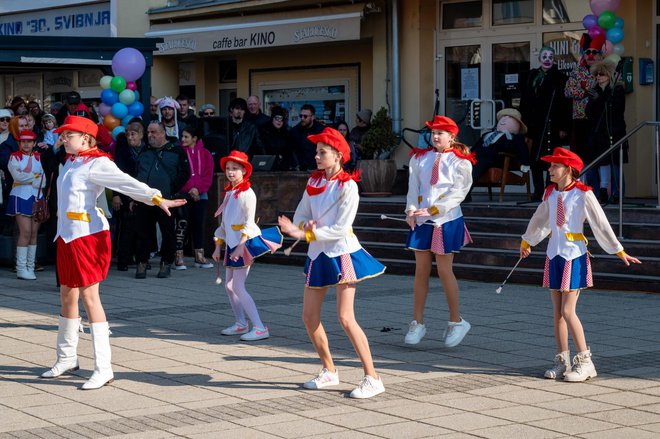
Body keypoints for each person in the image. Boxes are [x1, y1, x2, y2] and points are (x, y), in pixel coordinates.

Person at [39, 116, 185, 389]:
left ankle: (103, 367)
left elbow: (126, 182)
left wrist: (156, 197)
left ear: (85, 138)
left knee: (89, 297)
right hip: (67, 235)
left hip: (88, 236)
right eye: (62, 134)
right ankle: (66, 357)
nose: (62, 138)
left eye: (67, 134)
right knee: (67, 293)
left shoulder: (98, 162)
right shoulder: (70, 161)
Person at [278, 127, 386, 399]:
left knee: (345, 317)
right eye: (316, 152)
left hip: (342, 254)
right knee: (309, 317)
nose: (316, 156)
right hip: (318, 255)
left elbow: (341, 228)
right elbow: (301, 214)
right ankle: (329, 371)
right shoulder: (314, 182)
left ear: (338, 155)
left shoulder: (348, 186)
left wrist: (305, 233)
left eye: (322, 152)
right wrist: (301, 225)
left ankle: (372, 377)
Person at [520, 147, 640, 382]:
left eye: (555, 166)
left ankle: (586, 361)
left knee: (568, 310)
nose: (550, 169)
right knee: (557, 313)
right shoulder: (550, 194)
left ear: (569, 169)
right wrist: (528, 240)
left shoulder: (583, 194)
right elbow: (540, 219)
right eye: (550, 165)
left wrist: (618, 250)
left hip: (573, 256)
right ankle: (562, 360)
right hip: (554, 254)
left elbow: (600, 223)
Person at [403, 116, 474, 347]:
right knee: (420, 270)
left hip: (446, 220)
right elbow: (414, 188)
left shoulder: (461, 161)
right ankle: (417, 322)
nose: (434, 136)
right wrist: (411, 210)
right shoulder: (419, 158)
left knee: (445, 271)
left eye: (440, 133)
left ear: (452, 136)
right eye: (433, 132)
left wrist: (434, 209)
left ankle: (456, 321)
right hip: (423, 221)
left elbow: (459, 192)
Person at [213, 151, 283, 341]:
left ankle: (260, 327)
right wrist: (218, 246)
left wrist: (240, 246)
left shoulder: (246, 193)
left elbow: (249, 223)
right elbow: (224, 224)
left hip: (243, 243)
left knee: (237, 286)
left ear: (244, 170)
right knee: (229, 286)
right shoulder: (230, 192)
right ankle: (241, 323)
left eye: (235, 169)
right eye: (228, 168)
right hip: (233, 243)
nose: (230, 172)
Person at [134, 121, 190, 279]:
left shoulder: (176, 150)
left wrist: (170, 189)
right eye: (148, 132)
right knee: (142, 232)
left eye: (154, 132)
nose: (150, 135)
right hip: (145, 198)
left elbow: (185, 173)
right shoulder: (144, 150)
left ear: (163, 133)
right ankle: (142, 262)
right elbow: (136, 172)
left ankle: (166, 263)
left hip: (166, 199)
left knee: (167, 232)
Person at [519, 46, 571, 200]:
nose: (547, 60)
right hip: (534, 124)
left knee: (552, 159)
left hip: (552, 123)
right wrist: (524, 126)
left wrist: (563, 126)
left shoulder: (560, 77)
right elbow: (525, 101)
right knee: (535, 158)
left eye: (550, 57)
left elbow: (565, 103)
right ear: (539, 59)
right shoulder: (532, 76)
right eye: (545, 56)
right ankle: (538, 190)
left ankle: (551, 189)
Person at [585, 60, 627, 204]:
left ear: (609, 75)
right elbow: (588, 112)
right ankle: (598, 193)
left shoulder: (617, 89)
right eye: (596, 74)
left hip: (614, 132)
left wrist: (600, 99)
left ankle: (617, 195)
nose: (598, 77)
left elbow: (616, 108)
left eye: (602, 74)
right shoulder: (594, 90)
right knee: (593, 165)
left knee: (615, 164)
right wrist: (594, 99)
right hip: (597, 133)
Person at [174, 126, 214, 270]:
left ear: (195, 138)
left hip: (201, 194)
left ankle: (199, 256)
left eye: (186, 137)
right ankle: (178, 257)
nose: (183, 140)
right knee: (182, 224)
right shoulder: (178, 153)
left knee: (198, 224)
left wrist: (199, 189)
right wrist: (191, 188)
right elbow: (179, 174)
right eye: (182, 137)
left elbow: (208, 176)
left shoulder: (205, 154)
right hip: (183, 193)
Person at [6, 130, 45, 280]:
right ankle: (21, 268)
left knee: (34, 233)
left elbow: (45, 179)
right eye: (23, 141)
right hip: (20, 196)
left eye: (29, 141)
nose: (26, 144)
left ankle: (30, 266)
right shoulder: (14, 156)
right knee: (25, 232)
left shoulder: (38, 157)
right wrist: (35, 177)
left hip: (37, 197)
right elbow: (18, 176)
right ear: (19, 143)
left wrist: (32, 178)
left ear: (34, 143)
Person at [564, 33, 605, 162]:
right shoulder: (577, 72)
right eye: (587, 52)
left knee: (598, 155)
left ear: (599, 54)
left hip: (598, 119)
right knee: (581, 155)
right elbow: (567, 91)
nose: (590, 55)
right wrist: (584, 92)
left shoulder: (604, 72)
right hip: (580, 119)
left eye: (594, 52)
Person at [112, 122, 145, 271]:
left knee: (142, 228)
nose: (130, 137)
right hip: (125, 191)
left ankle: (140, 259)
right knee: (126, 228)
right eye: (128, 134)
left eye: (134, 134)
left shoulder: (146, 149)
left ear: (141, 135)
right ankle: (123, 260)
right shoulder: (123, 150)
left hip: (142, 191)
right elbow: (116, 174)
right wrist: (116, 195)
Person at [470, 108, 531, 184]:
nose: (504, 119)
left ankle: (465, 191)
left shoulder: (516, 138)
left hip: (498, 158)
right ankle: (462, 191)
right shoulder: (487, 134)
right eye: (503, 117)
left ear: (518, 125)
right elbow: (476, 146)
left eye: (510, 118)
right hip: (479, 157)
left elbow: (522, 148)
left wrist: (525, 162)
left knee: (479, 161)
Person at [260, 106, 296, 171]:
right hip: (269, 167)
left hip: (284, 168)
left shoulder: (287, 134)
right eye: (277, 118)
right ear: (272, 119)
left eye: (281, 119)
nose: (279, 121)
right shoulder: (265, 132)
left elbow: (290, 152)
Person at [290, 104, 324, 171]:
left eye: (305, 116)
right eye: (301, 116)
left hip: (318, 168)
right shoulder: (295, 131)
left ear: (313, 117)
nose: (302, 118)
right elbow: (293, 151)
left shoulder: (321, 130)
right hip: (301, 169)